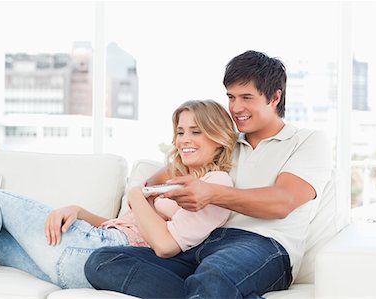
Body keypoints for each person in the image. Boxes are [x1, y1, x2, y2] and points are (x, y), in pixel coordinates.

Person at [84, 50, 333, 299]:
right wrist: (152, 199)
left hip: (262, 245)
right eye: (231, 97)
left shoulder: (306, 141)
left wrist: (211, 193)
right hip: (201, 244)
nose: (236, 108)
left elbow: (282, 202)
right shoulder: (222, 143)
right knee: (103, 261)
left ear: (275, 97)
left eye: (246, 97)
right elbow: (158, 180)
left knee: (214, 276)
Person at [0, 100, 237, 299]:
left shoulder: (216, 185)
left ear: (219, 137)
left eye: (195, 132)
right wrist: (78, 211)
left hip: (105, 253)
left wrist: (136, 194)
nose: (184, 140)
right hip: (82, 259)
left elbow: (165, 245)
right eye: (180, 132)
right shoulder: (176, 179)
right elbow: (124, 225)